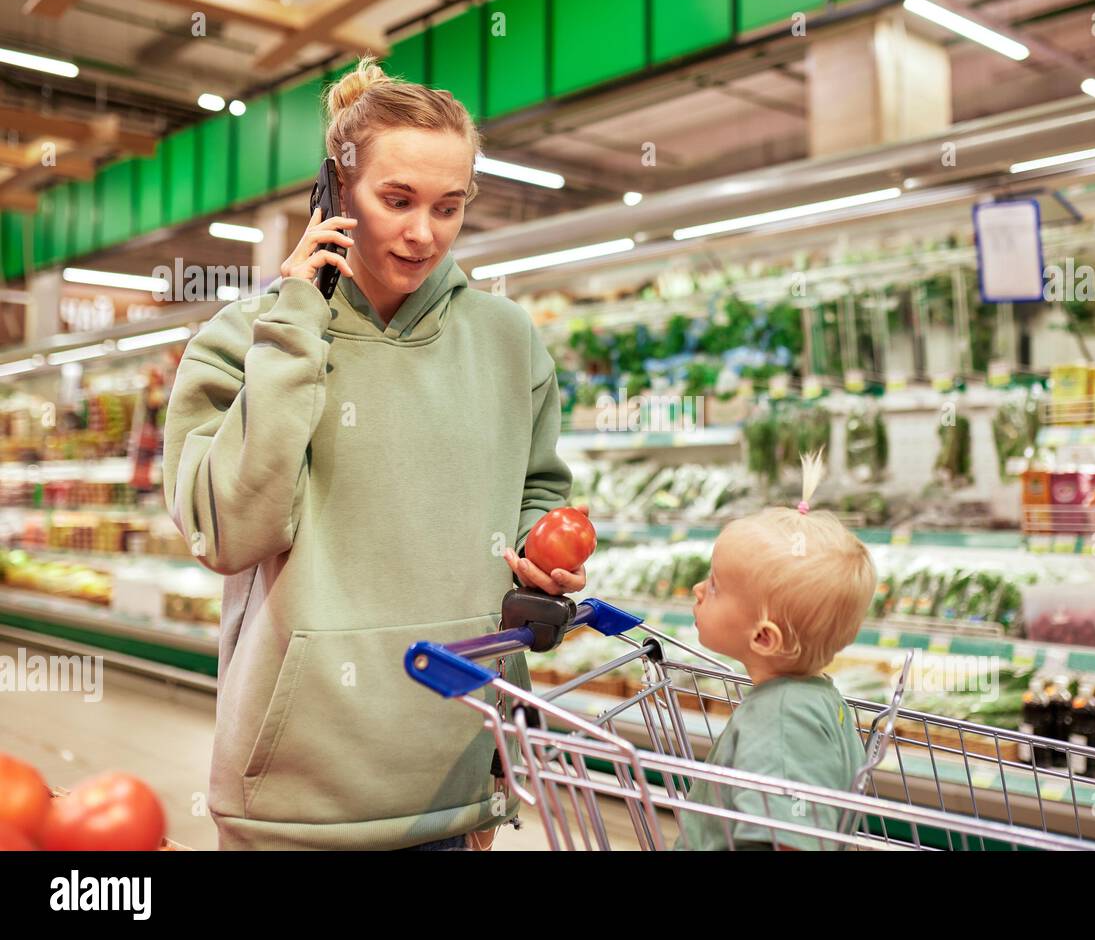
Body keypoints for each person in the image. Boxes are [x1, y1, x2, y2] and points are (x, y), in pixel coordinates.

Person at [162, 56, 583, 851]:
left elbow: (537, 493)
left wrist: (538, 553)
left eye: (448, 207)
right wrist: (293, 331)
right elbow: (229, 533)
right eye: (397, 200)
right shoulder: (241, 342)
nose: (424, 232)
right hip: (295, 795)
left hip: (453, 770)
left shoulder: (507, 340)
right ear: (334, 190)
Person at [674, 451, 876, 850]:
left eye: (714, 585)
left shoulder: (781, 719)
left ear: (764, 638)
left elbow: (793, 840)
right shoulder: (816, 697)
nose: (698, 589)